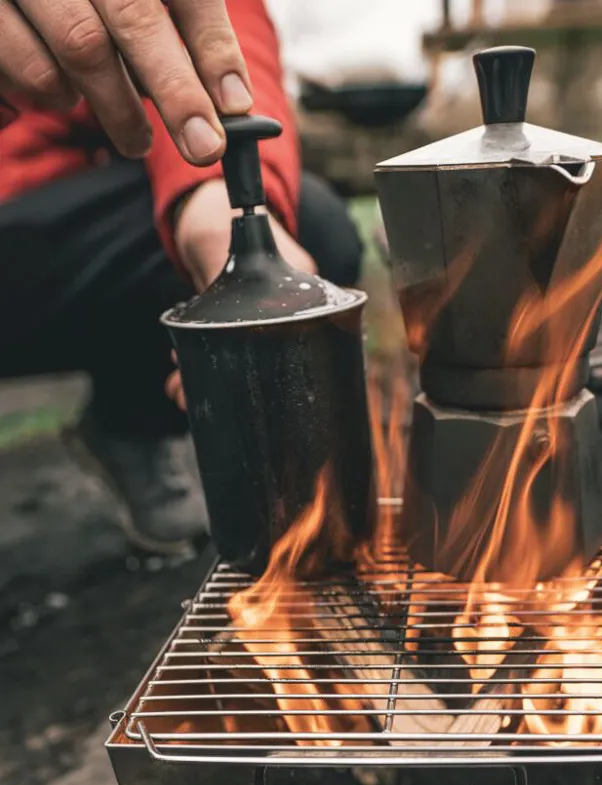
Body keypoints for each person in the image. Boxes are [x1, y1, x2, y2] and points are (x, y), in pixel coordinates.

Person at [0, 0, 363, 554]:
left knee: (310, 227)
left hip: (74, 214)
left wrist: (213, 196)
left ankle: (131, 422)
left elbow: (209, 27)